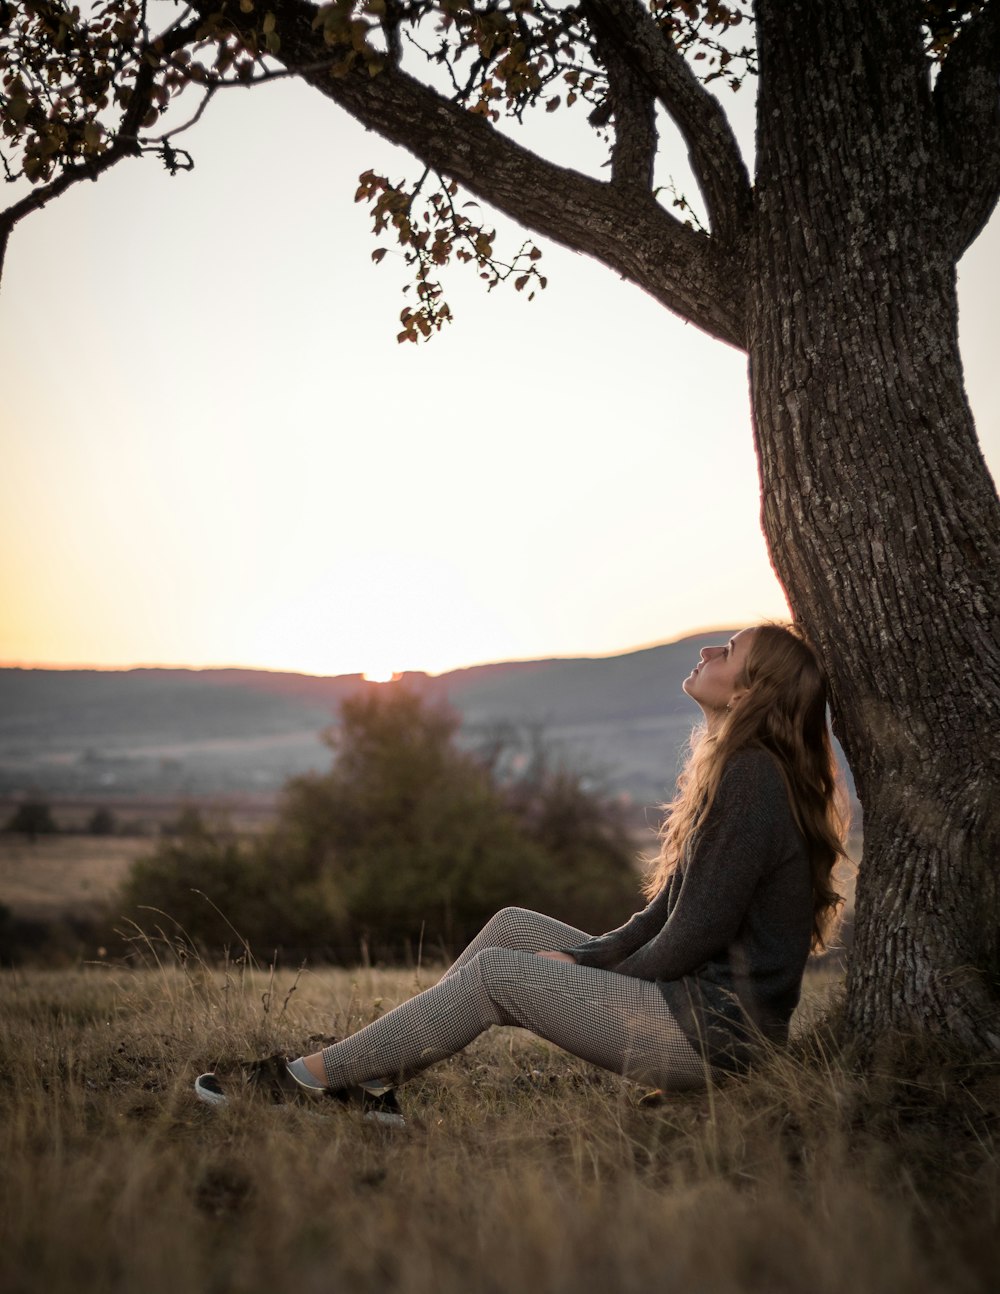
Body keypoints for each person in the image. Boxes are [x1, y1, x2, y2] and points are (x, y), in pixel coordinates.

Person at [195, 623, 846, 1122]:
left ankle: (306, 1083)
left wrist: (588, 970)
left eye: (727, 652)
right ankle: (370, 1084)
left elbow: (691, 938)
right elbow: (659, 918)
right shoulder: (739, 773)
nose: (707, 654)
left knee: (497, 974)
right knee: (510, 928)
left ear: (752, 690)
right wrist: (584, 954)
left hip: (710, 1039)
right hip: (693, 1016)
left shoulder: (754, 780)